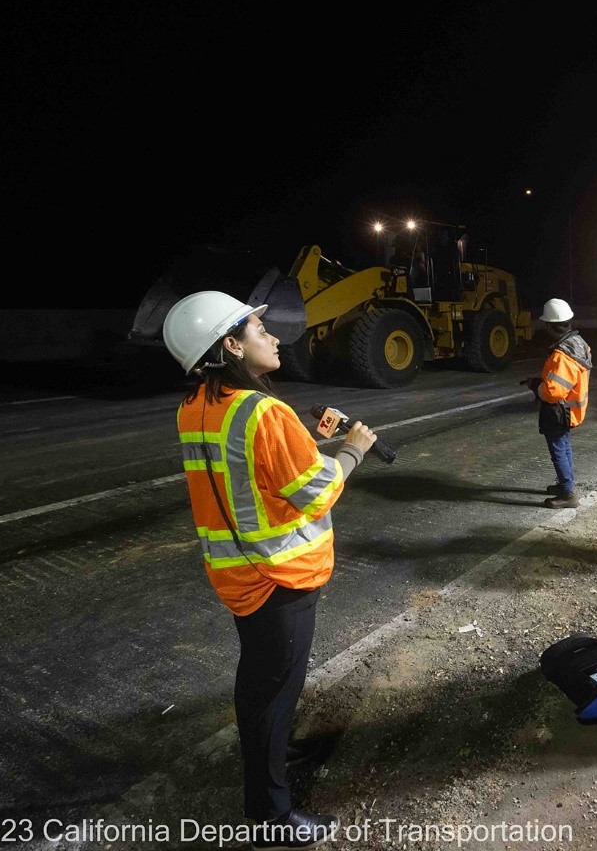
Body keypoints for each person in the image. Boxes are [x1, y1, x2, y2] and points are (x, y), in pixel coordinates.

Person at [162, 291, 377, 851]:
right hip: (281, 576)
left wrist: (313, 444)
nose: (274, 337)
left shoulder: (197, 406)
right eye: (259, 330)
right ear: (230, 346)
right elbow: (314, 492)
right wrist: (351, 450)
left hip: (236, 572)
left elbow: (248, 468)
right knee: (273, 692)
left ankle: (274, 749)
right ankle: (269, 815)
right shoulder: (264, 410)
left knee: (261, 685)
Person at [527, 298, 593, 509]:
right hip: (570, 408)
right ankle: (566, 484)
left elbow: (553, 391)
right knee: (564, 447)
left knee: (558, 450)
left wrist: (536, 386)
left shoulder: (562, 354)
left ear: (548, 325)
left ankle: (568, 493)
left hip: (559, 410)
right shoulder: (579, 344)